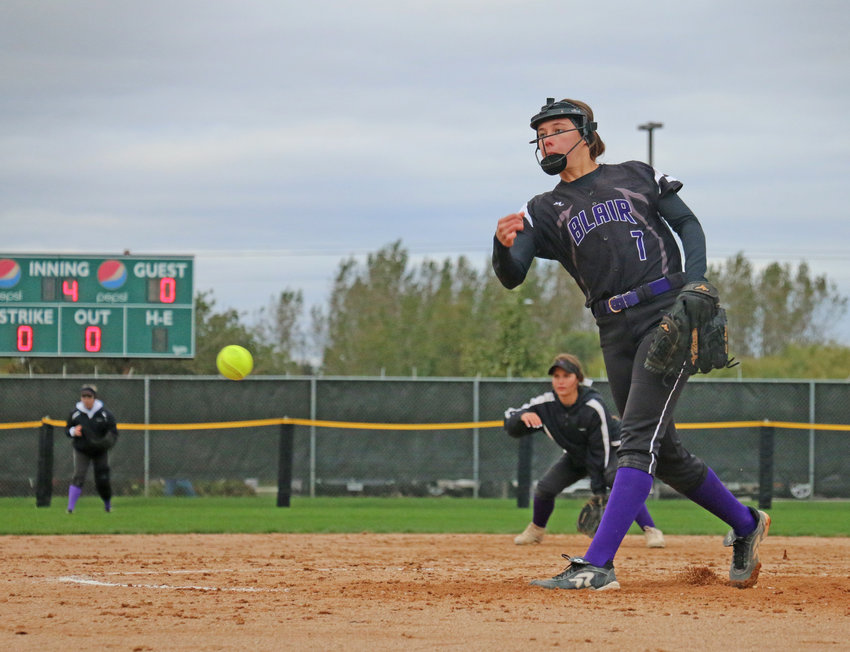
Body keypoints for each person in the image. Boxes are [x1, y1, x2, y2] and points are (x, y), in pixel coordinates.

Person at [492, 98, 769, 591]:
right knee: (667, 452)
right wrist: (501, 242)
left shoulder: (635, 176)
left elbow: (688, 224)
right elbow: (513, 275)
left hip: (667, 315)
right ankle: (747, 525)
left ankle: (598, 565)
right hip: (613, 329)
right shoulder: (545, 208)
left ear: (585, 133)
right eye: (541, 134)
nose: (547, 139)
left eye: (556, 129)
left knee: (636, 439)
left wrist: (697, 286)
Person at [505, 354, 665, 549]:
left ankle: (650, 529)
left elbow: (601, 451)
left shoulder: (592, 405)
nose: (561, 381)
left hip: (611, 450)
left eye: (566, 375)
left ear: (578, 379)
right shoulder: (545, 404)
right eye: (556, 376)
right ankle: (536, 530)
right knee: (545, 488)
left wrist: (598, 494)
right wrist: (523, 415)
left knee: (616, 481)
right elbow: (510, 418)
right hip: (577, 455)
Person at [65, 384, 119, 513]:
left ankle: (107, 505)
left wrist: (108, 441)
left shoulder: (105, 414)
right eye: (83, 396)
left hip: (100, 450)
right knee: (79, 475)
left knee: (102, 478)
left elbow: (113, 431)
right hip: (82, 450)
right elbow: (67, 430)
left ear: (94, 398)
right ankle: (70, 508)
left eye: (89, 396)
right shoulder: (75, 413)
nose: (86, 399)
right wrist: (73, 431)